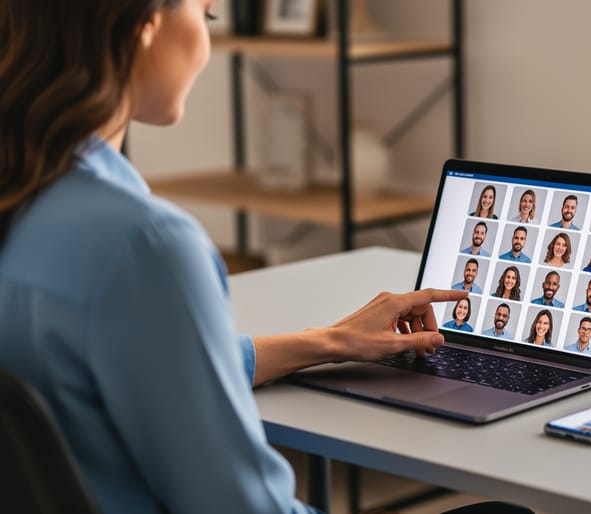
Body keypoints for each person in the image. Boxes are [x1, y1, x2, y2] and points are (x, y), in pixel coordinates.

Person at [0, 3, 478, 513]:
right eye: (206, 14)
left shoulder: (27, 199)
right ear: (144, 24)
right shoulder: (144, 245)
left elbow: (154, 366)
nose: (206, 45)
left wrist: (330, 341)